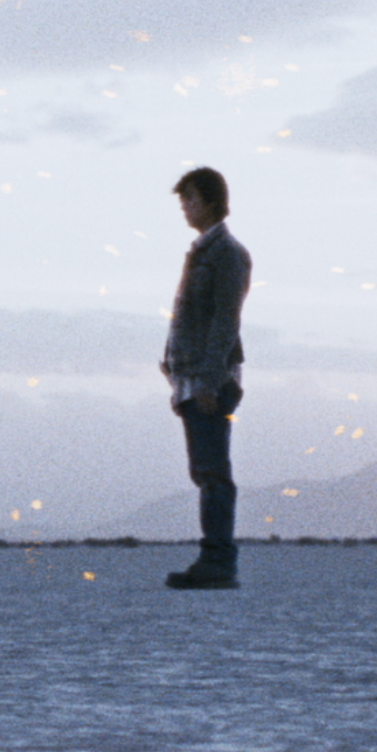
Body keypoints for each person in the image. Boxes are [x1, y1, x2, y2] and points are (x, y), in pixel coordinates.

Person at [160, 166, 250, 590]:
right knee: (205, 471)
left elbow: (225, 320)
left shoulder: (227, 253)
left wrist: (212, 380)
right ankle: (213, 558)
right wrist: (171, 366)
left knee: (213, 471)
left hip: (208, 381)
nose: (185, 208)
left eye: (191, 199)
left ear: (212, 201)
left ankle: (219, 562)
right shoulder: (201, 251)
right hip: (191, 379)